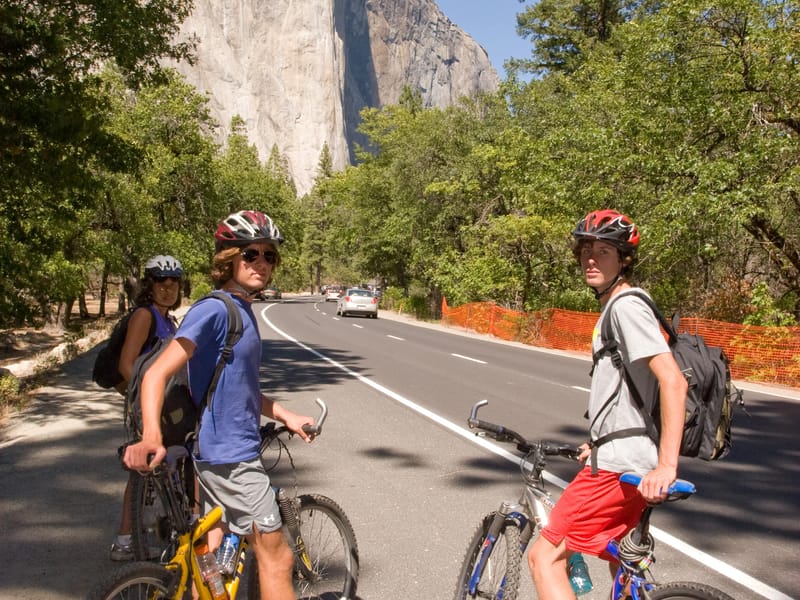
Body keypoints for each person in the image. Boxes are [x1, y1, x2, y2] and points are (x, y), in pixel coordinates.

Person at [123, 210, 314, 600]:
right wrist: (152, 437)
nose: (261, 262)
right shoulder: (215, 310)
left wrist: (284, 414)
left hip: (217, 454)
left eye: (269, 255)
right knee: (276, 560)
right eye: (250, 255)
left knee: (211, 561)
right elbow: (157, 373)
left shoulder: (241, 309)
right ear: (228, 259)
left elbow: (238, 389)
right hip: (232, 459)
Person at [527, 209, 688, 598]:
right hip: (623, 454)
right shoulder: (615, 307)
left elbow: (673, 381)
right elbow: (628, 393)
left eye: (603, 251)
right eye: (585, 250)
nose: (591, 259)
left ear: (624, 259)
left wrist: (667, 467)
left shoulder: (626, 306)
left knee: (544, 556)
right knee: (618, 557)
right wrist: (598, 442)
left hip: (620, 467)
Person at [111, 255, 184, 560]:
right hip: (152, 408)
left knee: (165, 468)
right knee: (142, 473)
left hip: (167, 406)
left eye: (173, 284)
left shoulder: (167, 318)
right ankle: (125, 541)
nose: (167, 289)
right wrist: (149, 401)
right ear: (148, 285)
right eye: (160, 283)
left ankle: (167, 530)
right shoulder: (145, 315)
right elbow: (127, 365)